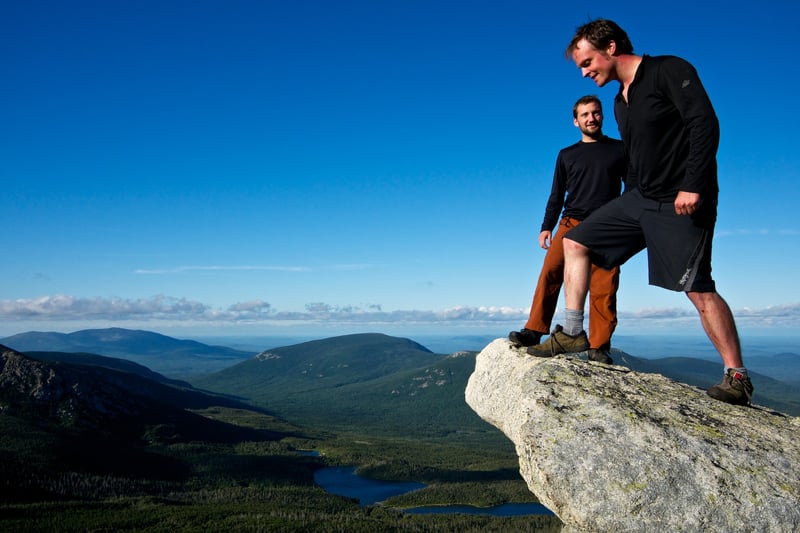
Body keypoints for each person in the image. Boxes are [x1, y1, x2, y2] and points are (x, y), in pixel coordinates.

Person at [528, 18, 753, 406]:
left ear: (610, 48)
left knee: (698, 289)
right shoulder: (620, 101)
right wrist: (626, 206)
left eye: (586, 62)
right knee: (576, 242)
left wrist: (694, 184)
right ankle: (572, 331)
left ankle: (737, 376)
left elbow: (704, 123)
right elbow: (634, 159)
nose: (584, 72)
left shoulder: (668, 70)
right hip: (641, 199)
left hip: (682, 199)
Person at [508, 95, 625, 364]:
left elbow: (631, 188)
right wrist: (546, 226)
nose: (591, 118)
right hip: (570, 223)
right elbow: (557, 194)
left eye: (595, 113)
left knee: (604, 285)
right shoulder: (567, 155)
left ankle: (598, 346)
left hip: (607, 225)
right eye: (585, 115)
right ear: (576, 121)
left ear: (602, 116)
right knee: (551, 272)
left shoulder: (620, 150)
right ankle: (535, 329)